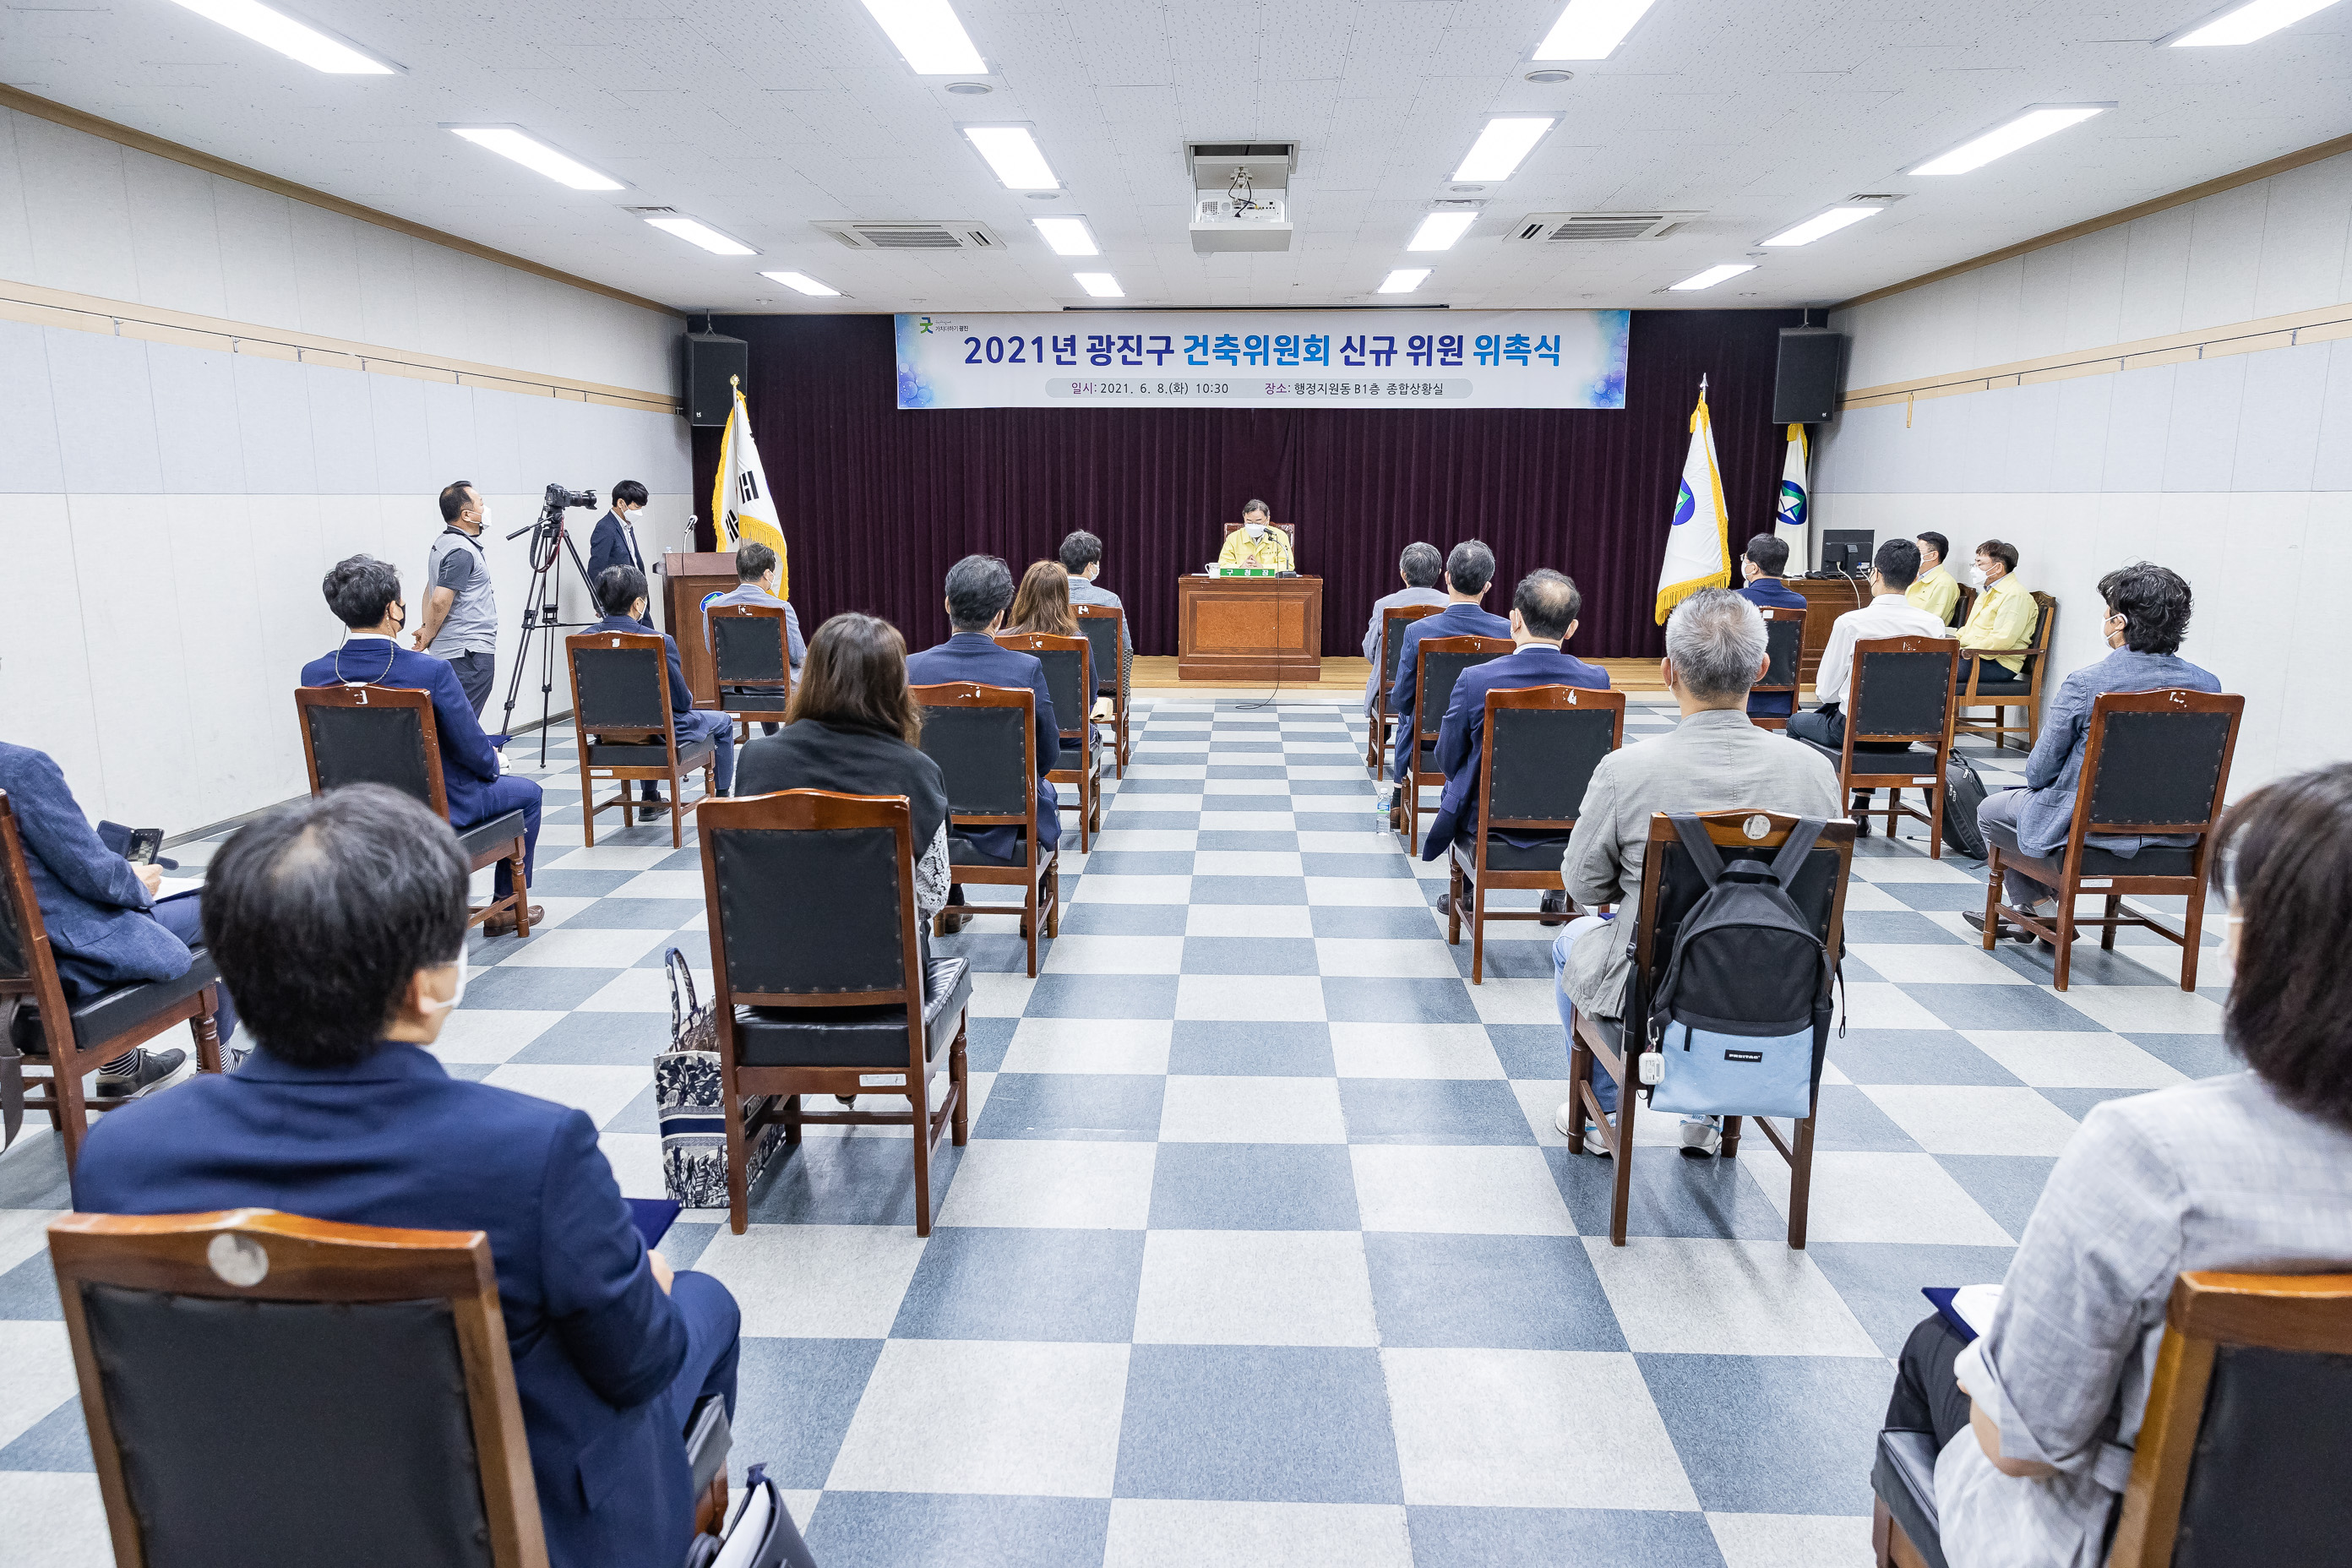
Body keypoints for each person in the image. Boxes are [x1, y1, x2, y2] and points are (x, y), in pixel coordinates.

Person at [70, 786, 776, 1568]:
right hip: (518, 1539)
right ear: (427, 984)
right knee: (702, 1302)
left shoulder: (118, 1157)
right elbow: (642, 1362)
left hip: (250, 1533)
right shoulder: (530, 1154)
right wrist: (654, 1279)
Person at [1886, 762, 2352, 1568]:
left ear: (2268, 953)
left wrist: (1979, 1359)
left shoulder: (2156, 1157)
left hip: (2130, 1545)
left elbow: (2023, 1442)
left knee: (1936, 1348)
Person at [1554, 589, 1840, 1157]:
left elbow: (1583, 886)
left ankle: (1603, 1108)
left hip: (1654, 989)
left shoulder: (1627, 770)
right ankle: (1708, 1114)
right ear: (1762, 667)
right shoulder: (1815, 772)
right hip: (1781, 989)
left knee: (1571, 941)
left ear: (1668, 672)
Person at [1968, 563, 2222, 940]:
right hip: (2173, 832)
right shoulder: (2207, 685)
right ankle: (2034, 910)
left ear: (2119, 622)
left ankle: (2042, 909)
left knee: (1991, 810)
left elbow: (2038, 772)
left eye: (2107, 610)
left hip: (2089, 827)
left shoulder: (2088, 683)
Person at [301, 555, 543, 934]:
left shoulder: (314, 674)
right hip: (435, 810)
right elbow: (472, 750)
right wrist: (494, 763)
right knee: (528, 793)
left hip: (355, 812)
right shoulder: (429, 670)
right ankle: (503, 909)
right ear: (391, 610)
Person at [0, 743, 235, 1092]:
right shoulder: (20, 768)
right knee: (225, 906)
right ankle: (223, 1062)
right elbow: (94, 874)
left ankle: (124, 1066)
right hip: (64, 955)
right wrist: (136, 882)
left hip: (9, 960)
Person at [735, 613, 951, 935]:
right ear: (894, 686)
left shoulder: (755, 759)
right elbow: (932, 897)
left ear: (812, 677)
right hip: (882, 969)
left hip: (773, 964)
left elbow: (743, 873)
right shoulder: (916, 772)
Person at [1422, 569, 1609, 926]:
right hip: (1570, 822)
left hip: (1487, 822)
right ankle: (1556, 895)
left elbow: (1447, 758)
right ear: (1572, 628)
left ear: (1514, 619)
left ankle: (1467, 892)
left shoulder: (1477, 680)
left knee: (1459, 779)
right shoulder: (1596, 681)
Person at [904, 555, 1062, 933]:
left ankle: (952, 900)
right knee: (1046, 791)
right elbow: (1049, 752)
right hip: (1011, 818)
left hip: (933, 817)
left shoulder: (910, 667)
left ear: (946, 604)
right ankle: (1034, 900)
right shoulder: (1024, 670)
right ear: (1000, 617)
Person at [1786, 538, 1947, 822]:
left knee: (1796, 722)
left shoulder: (1852, 622)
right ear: (1913, 578)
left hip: (1851, 731)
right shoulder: (1933, 625)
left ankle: (1805, 812)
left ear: (1875, 574)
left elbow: (1826, 691)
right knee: (1869, 715)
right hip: (1907, 736)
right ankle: (1860, 809)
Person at [589, 566, 736, 801]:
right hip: (662, 733)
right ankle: (721, 798)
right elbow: (682, 702)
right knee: (723, 721)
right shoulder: (659, 641)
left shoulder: (583, 640)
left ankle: (649, 798)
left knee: (645, 717)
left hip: (606, 734)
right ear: (638, 604)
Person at [1387, 540, 1511, 799]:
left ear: (1447, 578)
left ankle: (1400, 792)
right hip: (1486, 743)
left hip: (1429, 744)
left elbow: (1401, 700)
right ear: (1487, 585)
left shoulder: (1418, 631)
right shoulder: (1507, 632)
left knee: (1407, 717)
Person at [413, 480, 499, 718]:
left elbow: (430, 589)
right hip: (467, 653)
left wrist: (425, 627)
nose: (485, 509)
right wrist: (428, 633)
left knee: (455, 721)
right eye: (481, 504)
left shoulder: (443, 543)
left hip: (456, 651)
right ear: (467, 515)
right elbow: (439, 600)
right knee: (462, 725)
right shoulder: (462, 551)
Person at [702, 542, 804, 739]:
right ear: (767, 574)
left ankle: (772, 737)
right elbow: (798, 655)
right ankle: (793, 744)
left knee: (761, 669)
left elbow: (712, 651)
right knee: (806, 671)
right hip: (777, 691)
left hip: (734, 692)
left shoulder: (712, 608)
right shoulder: (781, 608)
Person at [1361, 542, 1449, 715]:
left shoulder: (1384, 605)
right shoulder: (1450, 605)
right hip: (1439, 693)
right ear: (1439, 573)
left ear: (1403, 573)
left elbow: (1370, 652)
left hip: (1391, 691)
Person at [1737, 533, 1807, 721]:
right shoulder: (1799, 603)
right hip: (1783, 699)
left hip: (1738, 698)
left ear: (1753, 567)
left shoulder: (1735, 600)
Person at [1059, 531, 1133, 702]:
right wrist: (1121, 688)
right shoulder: (1110, 600)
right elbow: (1126, 648)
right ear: (1090, 566)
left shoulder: (1051, 598)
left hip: (1059, 683)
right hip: (1104, 687)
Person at [1956, 538, 2035, 683]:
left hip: (1998, 664)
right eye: (1975, 563)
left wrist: (1964, 650)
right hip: (1974, 655)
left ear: (1998, 568)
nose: (1974, 568)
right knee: (1925, 662)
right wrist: (1952, 643)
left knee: (1934, 670)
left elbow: (2003, 640)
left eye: (1980, 564)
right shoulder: (1988, 591)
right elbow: (1969, 629)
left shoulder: (2015, 595)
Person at [587, 481, 654, 629]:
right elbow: (595, 568)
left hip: (638, 598)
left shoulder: (627, 525)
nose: (639, 512)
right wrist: (599, 604)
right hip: (621, 602)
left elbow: (634, 561)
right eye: (636, 507)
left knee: (651, 641)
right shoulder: (605, 527)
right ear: (621, 503)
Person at [1215, 498, 1295, 571]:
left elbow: (1288, 566)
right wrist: (1241, 567)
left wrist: (1262, 567)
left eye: (1258, 522)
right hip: (1242, 584)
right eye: (1249, 522)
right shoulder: (1233, 538)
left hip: (1270, 584)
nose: (1253, 526)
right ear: (1244, 518)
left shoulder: (1279, 536)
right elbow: (1222, 565)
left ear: (1267, 520)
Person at [1908, 531, 1960, 625]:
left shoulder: (1944, 583)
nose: (1912, 554)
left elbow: (1931, 622)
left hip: (1917, 636)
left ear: (1933, 555)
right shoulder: (1916, 577)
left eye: (1917, 551)